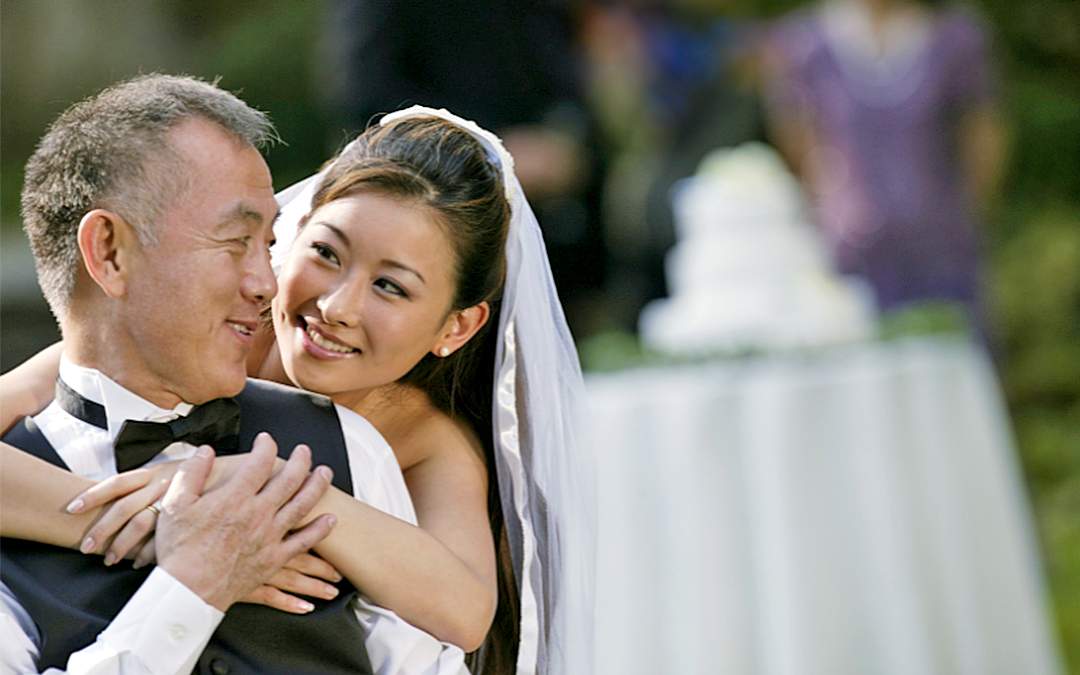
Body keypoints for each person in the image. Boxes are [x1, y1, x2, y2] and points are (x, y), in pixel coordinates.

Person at [2, 104, 596, 674]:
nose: (337, 306)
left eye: (391, 287)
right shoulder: (201, 338)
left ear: (456, 327)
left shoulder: (420, 439)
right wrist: (168, 523)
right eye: (326, 252)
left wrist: (288, 495)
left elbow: (464, 614)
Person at [762, 0, 1007, 341]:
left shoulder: (955, 36)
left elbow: (982, 135)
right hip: (848, 257)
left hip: (942, 252)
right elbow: (797, 142)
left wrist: (966, 209)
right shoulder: (805, 42)